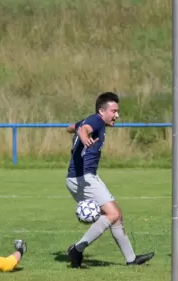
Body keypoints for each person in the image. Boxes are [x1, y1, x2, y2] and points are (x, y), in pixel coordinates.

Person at [65, 91, 154, 268]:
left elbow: (71, 126)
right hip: (83, 178)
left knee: (116, 216)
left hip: (81, 177)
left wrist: (76, 129)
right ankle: (77, 249)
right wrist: (84, 138)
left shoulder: (89, 119)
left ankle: (131, 259)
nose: (117, 115)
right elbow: (83, 130)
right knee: (112, 214)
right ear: (101, 111)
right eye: (114, 111)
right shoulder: (96, 121)